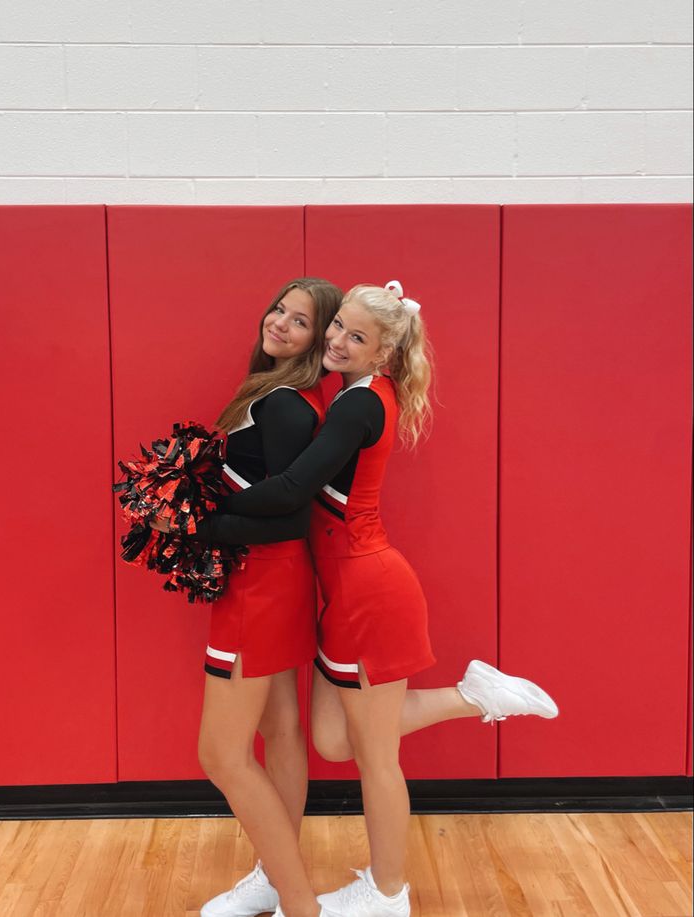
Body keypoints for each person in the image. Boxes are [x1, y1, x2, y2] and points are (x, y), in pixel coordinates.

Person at [214, 281, 558, 917]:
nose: (339, 341)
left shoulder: (358, 405)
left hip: (367, 591)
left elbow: (292, 488)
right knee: (333, 741)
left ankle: (388, 891)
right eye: (338, 327)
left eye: (356, 337)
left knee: (375, 757)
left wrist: (200, 509)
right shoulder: (352, 395)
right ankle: (470, 695)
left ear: (385, 354)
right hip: (339, 591)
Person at [152, 277, 343, 917]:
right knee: (280, 729)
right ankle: (275, 879)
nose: (281, 324)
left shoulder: (287, 404)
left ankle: (298, 902)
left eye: (301, 321)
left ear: (320, 340)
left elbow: (291, 512)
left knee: (220, 754)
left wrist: (189, 522)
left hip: (260, 580)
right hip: (277, 578)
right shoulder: (279, 394)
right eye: (279, 310)